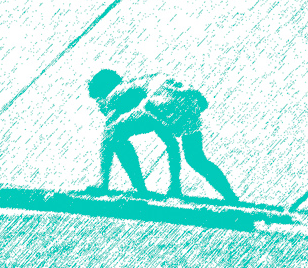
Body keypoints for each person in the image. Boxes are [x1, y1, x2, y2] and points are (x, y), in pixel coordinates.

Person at [88, 68, 239, 202]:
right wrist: (174, 187)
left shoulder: (115, 95)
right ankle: (231, 197)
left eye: (98, 101)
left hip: (164, 99)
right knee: (195, 158)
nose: (99, 107)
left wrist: (105, 185)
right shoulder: (142, 87)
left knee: (112, 135)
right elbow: (171, 144)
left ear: (102, 94)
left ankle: (109, 185)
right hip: (190, 99)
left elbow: (108, 135)